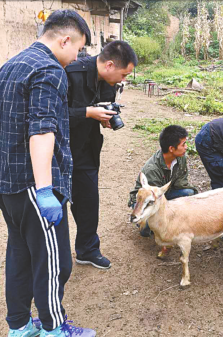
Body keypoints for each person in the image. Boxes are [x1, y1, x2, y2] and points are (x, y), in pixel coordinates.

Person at [0, 10, 96, 337]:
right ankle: (53, 329)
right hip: (33, 186)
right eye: (78, 50)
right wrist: (45, 190)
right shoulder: (49, 71)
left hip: (4, 183)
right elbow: (42, 131)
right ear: (64, 40)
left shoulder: (11, 65)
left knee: (20, 253)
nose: (77, 58)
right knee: (53, 262)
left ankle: (19, 326)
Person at [65, 41, 137, 269]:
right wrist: (86, 112)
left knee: (88, 203)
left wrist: (104, 119)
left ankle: (87, 249)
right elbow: (49, 114)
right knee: (55, 208)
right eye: (123, 74)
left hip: (86, 150)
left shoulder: (109, 82)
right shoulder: (69, 72)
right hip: (58, 152)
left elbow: (102, 109)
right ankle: (52, 257)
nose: (123, 80)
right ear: (109, 65)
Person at [129, 125, 198, 237]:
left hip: (165, 193)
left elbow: (182, 183)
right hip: (147, 199)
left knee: (189, 194)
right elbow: (151, 198)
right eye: (183, 144)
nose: (186, 147)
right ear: (171, 149)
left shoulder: (181, 158)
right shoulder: (152, 169)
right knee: (145, 230)